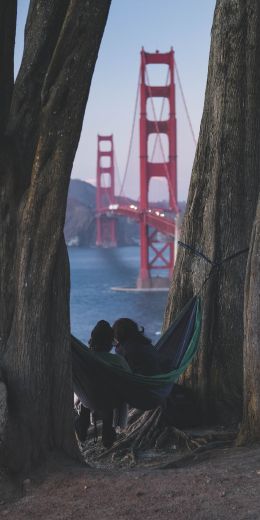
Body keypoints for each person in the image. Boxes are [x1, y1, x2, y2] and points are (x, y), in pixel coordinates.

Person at [75, 320, 130, 448]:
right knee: (111, 397)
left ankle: (82, 428)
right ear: (110, 342)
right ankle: (108, 437)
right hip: (111, 402)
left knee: (87, 391)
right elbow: (130, 378)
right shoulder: (118, 361)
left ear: (92, 339)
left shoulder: (85, 358)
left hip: (87, 399)